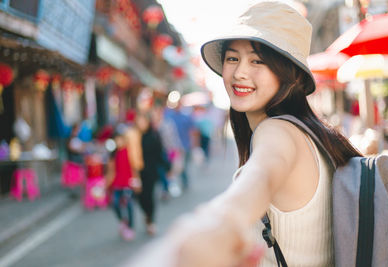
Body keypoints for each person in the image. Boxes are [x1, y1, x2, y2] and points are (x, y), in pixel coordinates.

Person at [127, 1, 362, 266]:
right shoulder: (309, 134)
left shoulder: (277, 132)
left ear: (291, 76)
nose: (240, 72)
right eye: (233, 58)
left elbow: (255, 183)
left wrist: (214, 227)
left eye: (258, 60)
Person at [136, 112, 171, 235]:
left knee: (149, 197)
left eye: (143, 121)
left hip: (150, 172)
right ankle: (146, 214)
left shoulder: (154, 135)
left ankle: (151, 220)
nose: (141, 124)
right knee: (140, 198)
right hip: (137, 173)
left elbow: (159, 152)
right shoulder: (134, 136)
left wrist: (167, 166)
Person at [106, 129, 142, 241]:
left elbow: (134, 168)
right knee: (115, 203)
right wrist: (106, 183)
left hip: (128, 184)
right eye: (117, 139)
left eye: (121, 139)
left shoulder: (130, 152)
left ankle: (130, 227)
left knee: (129, 205)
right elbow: (111, 170)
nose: (119, 141)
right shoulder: (113, 154)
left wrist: (137, 181)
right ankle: (122, 221)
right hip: (117, 184)